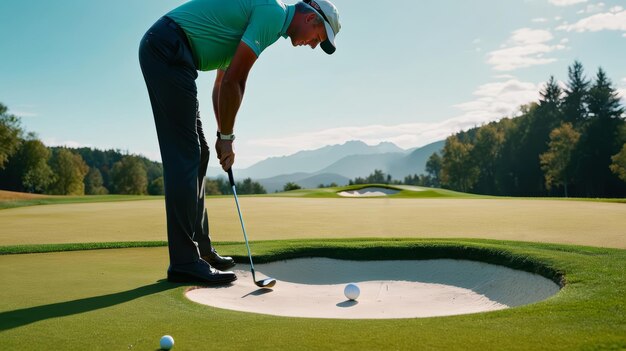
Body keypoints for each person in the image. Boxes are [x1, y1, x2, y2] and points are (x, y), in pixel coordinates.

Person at [139, 0, 341, 284]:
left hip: (173, 52)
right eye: (317, 38)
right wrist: (227, 139)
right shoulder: (273, 13)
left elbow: (221, 84)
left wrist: (222, 136)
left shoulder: (267, 22)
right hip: (167, 47)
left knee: (200, 153)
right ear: (311, 19)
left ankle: (202, 251)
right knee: (185, 155)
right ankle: (184, 262)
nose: (311, 45)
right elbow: (236, 81)